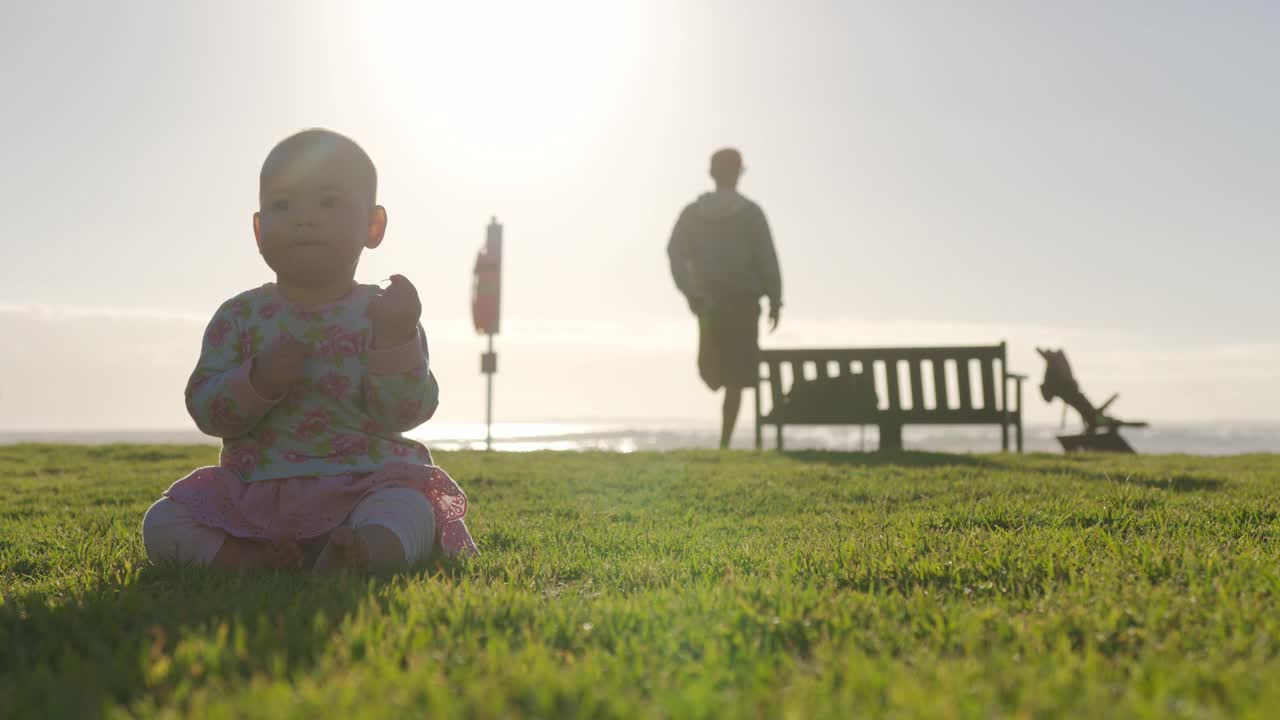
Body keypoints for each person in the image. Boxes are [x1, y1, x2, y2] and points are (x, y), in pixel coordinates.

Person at [141, 129, 477, 573]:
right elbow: (207, 409)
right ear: (259, 231)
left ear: (372, 226)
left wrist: (395, 340)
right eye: (283, 205)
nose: (305, 219)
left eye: (330, 202)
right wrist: (259, 380)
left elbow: (407, 411)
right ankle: (255, 561)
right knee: (163, 521)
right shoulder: (239, 317)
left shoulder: (383, 314)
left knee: (408, 508)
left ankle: (361, 553)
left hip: (366, 486)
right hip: (257, 497)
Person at [668, 148, 782, 449]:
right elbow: (767, 258)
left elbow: (674, 252)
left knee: (717, 372)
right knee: (731, 374)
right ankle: (726, 439)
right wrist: (775, 298)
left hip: (711, 302)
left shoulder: (694, 213)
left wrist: (690, 290)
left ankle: (725, 442)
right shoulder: (750, 213)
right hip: (739, 302)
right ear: (738, 173)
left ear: (712, 173)